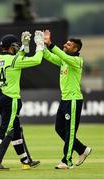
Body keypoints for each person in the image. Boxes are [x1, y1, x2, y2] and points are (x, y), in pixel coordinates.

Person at [0, 30, 45, 171]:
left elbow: (19, 55)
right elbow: (37, 60)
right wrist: (39, 45)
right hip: (11, 99)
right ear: (11, 46)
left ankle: (25, 161)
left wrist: (25, 44)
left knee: (16, 130)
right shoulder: (14, 60)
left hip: (0, 97)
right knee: (6, 130)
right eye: (16, 46)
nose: (18, 48)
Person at [43, 30, 92, 169]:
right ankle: (82, 149)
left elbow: (62, 55)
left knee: (70, 132)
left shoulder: (76, 60)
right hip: (65, 100)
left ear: (75, 49)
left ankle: (66, 161)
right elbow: (48, 56)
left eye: (68, 44)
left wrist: (51, 44)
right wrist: (41, 45)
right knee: (59, 129)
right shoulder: (64, 60)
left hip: (74, 100)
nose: (65, 45)